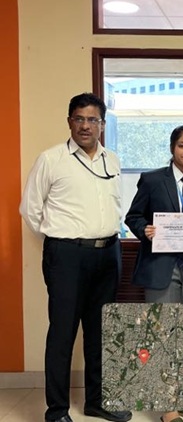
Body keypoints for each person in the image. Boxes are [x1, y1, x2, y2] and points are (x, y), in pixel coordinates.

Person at [20, 93, 132, 422]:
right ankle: (56, 411)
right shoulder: (51, 159)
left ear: (102, 124)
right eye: (79, 119)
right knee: (63, 333)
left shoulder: (113, 159)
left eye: (92, 119)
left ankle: (97, 401)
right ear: (69, 121)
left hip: (108, 254)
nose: (85, 125)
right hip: (67, 256)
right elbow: (30, 210)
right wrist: (60, 241)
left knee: (101, 333)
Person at [125, 125, 183, 422]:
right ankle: (167, 408)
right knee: (163, 334)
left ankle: (175, 394)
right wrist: (145, 230)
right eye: (182, 145)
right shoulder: (153, 180)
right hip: (162, 266)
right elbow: (133, 216)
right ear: (172, 148)